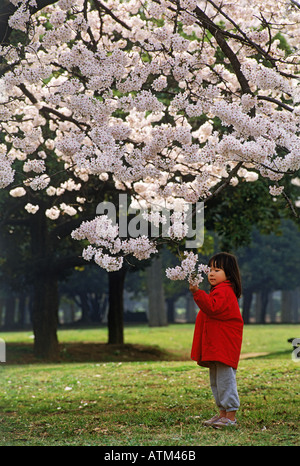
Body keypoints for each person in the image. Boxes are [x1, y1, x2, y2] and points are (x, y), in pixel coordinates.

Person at [189, 252, 243, 429]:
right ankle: (222, 414)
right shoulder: (218, 291)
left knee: (226, 380)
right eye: (210, 269)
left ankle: (231, 416)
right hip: (216, 346)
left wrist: (197, 293)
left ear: (228, 273)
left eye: (217, 270)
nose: (211, 273)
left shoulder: (225, 291)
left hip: (224, 345)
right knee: (216, 381)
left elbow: (212, 308)